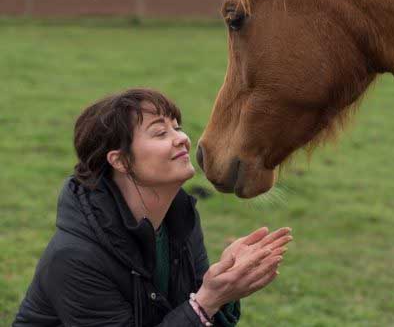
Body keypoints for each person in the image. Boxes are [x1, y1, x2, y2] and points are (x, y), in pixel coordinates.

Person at [13, 88, 291, 326]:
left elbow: (198, 315)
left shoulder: (178, 218)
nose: (182, 138)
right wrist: (207, 301)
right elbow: (198, 310)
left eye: (177, 127)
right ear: (120, 161)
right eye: (160, 132)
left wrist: (225, 286)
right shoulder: (75, 258)